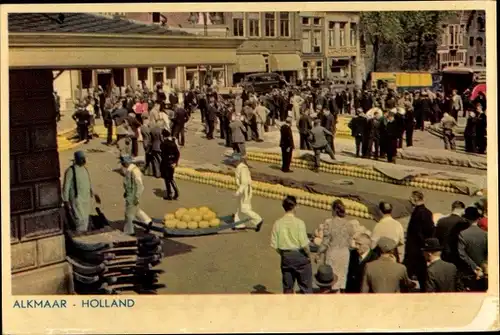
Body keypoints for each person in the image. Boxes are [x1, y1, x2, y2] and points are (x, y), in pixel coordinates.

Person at [270, 195, 313, 294]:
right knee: (306, 287)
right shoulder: (299, 223)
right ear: (294, 207)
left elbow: (275, 245)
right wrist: (308, 256)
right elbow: (304, 245)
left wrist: (283, 254)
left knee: (287, 288)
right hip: (300, 256)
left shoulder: (278, 223)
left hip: (286, 256)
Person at [315, 200, 356, 292]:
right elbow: (350, 243)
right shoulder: (349, 224)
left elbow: (325, 243)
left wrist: (318, 253)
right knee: (342, 278)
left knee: (331, 277)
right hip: (344, 253)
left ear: (334, 210)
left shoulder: (329, 224)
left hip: (333, 253)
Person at [404, 190, 435, 292]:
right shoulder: (428, 212)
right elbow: (430, 231)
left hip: (415, 248)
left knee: (410, 272)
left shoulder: (416, 213)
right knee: (422, 274)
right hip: (422, 248)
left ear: (414, 199)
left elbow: (416, 232)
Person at [62, 151, 100, 232]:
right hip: (77, 199)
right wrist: (65, 201)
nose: (83, 160)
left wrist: (95, 194)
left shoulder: (84, 169)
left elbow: (88, 183)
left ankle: (84, 235)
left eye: (84, 159)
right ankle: (80, 236)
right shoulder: (70, 170)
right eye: (81, 159)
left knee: (85, 219)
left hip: (86, 198)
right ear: (76, 159)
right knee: (79, 220)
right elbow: (66, 186)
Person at [119, 155, 153, 236]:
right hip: (130, 193)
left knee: (129, 214)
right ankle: (147, 221)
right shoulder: (129, 170)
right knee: (136, 210)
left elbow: (140, 186)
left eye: (123, 163)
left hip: (133, 195)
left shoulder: (134, 171)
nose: (122, 164)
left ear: (127, 162)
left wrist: (136, 197)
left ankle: (129, 231)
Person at [458, 207, 487, 291]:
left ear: (466, 219)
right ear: (478, 219)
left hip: (468, 271)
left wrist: (475, 267)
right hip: (484, 270)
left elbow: (462, 254)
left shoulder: (463, 234)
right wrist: (483, 266)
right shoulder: (484, 234)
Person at [231, 154, 263, 231]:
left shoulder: (243, 168)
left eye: (234, 160)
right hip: (242, 189)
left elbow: (244, 182)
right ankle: (239, 224)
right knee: (239, 207)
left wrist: (238, 192)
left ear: (238, 160)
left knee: (245, 208)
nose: (232, 162)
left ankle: (258, 220)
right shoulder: (239, 167)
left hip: (245, 190)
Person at [160, 129, 180, 201]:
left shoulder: (164, 144)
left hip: (166, 163)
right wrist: (175, 162)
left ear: (163, 136)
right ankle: (176, 192)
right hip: (172, 163)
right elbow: (177, 153)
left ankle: (169, 194)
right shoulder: (173, 143)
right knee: (171, 178)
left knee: (167, 179)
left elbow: (162, 154)